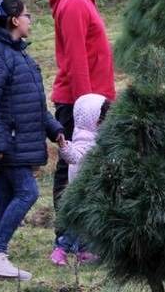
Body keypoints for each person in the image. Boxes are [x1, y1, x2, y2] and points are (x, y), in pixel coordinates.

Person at [0, 0, 66, 281]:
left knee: (4, 198)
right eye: (27, 15)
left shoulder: (16, 51)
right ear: (14, 20)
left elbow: (32, 101)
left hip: (18, 139)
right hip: (9, 141)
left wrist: (54, 128)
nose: (30, 20)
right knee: (28, 192)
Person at [47, 0, 116, 251]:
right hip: (80, 103)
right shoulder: (73, 2)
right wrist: (86, 105)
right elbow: (76, 59)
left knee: (87, 168)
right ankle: (66, 238)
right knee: (72, 167)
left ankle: (84, 237)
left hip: (92, 102)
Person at [50, 92, 110, 266]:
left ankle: (84, 252)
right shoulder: (85, 143)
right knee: (75, 228)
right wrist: (64, 146)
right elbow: (73, 156)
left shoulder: (95, 139)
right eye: (102, 120)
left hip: (93, 192)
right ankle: (60, 251)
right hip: (83, 193)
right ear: (93, 121)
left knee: (86, 226)